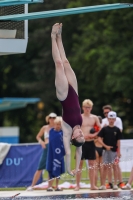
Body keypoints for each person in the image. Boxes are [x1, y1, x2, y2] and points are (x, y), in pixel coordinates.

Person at [51, 23, 85, 176]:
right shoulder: (80, 124)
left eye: (80, 136)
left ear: (73, 137)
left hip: (64, 95)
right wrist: (78, 169)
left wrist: (69, 169)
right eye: (83, 135)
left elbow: (69, 152)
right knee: (66, 62)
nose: (82, 134)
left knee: (59, 64)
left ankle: (53, 36)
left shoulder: (67, 130)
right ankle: (60, 36)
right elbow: (80, 150)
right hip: (75, 92)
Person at [74, 99, 101, 190]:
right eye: (86, 107)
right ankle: (77, 185)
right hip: (81, 143)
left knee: (92, 164)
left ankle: (92, 185)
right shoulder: (79, 117)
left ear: (91, 108)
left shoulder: (94, 118)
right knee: (79, 164)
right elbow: (75, 130)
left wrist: (94, 135)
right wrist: (83, 136)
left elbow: (100, 130)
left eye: (89, 107)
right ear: (82, 107)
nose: (87, 109)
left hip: (90, 143)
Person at [26, 112, 57, 191]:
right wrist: (41, 142)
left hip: (54, 148)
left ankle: (49, 186)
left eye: (54, 118)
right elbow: (38, 136)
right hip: (46, 148)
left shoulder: (57, 127)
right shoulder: (45, 127)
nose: (52, 119)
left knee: (51, 168)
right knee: (40, 167)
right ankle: (32, 185)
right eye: (51, 118)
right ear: (48, 119)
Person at [98, 111, 122, 190]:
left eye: (113, 119)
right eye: (110, 119)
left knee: (115, 166)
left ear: (115, 119)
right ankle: (103, 184)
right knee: (105, 167)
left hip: (114, 151)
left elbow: (118, 141)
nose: (111, 120)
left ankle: (115, 184)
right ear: (108, 119)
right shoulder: (104, 129)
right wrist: (105, 146)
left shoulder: (117, 129)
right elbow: (99, 138)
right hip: (105, 150)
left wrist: (119, 152)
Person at [46, 117, 65, 191]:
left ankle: (57, 186)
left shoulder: (63, 133)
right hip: (51, 153)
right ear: (54, 124)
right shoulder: (51, 131)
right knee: (50, 169)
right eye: (57, 124)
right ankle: (49, 186)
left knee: (58, 169)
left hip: (59, 154)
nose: (58, 126)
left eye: (60, 124)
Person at [94, 116, 103, 187]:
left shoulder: (94, 130)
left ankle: (95, 185)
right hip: (102, 148)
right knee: (101, 168)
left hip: (96, 148)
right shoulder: (103, 129)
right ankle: (102, 185)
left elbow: (92, 141)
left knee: (96, 168)